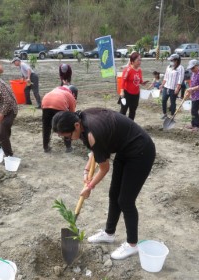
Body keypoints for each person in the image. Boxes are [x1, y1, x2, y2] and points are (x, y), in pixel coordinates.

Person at [52, 108, 155, 260]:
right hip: (124, 150)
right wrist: (87, 170)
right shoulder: (82, 120)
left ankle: (132, 244)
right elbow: (95, 151)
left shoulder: (93, 132)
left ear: (76, 126)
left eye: (68, 137)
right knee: (114, 194)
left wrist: (89, 187)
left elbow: (104, 168)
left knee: (125, 201)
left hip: (141, 152)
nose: (69, 140)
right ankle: (109, 233)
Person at [41, 86, 77, 153]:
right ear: (73, 93)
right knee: (66, 125)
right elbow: (72, 114)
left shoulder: (55, 90)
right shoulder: (70, 95)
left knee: (46, 127)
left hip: (45, 102)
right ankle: (68, 147)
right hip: (59, 104)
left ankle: (46, 147)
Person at [119, 52, 147, 120]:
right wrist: (122, 91)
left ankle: (130, 125)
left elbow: (139, 80)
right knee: (123, 111)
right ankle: (120, 125)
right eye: (138, 60)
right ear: (132, 61)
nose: (140, 62)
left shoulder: (139, 70)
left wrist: (143, 83)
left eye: (140, 60)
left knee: (133, 111)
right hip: (127, 93)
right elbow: (123, 80)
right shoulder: (128, 70)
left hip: (136, 94)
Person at [159, 54, 184, 119]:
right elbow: (166, 77)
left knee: (172, 102)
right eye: (170, 60)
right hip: (166, 87)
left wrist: (177, 88)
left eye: (172, 60)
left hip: (173, 88)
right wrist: (162, 85)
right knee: (163, 100)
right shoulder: (168, 67)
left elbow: (180, 79)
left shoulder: (180, 68)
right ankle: (164, 113)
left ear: (176, 61)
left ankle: (172, 115)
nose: (171, 61)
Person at [185, 59, 199, 132]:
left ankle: (197, 126)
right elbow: (193, 82)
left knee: (194, 110)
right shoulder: (194, 72)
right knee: (193, 110)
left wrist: (192, 89)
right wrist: (190, 91)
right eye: (191, 68)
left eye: (193, 68)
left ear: (197, 66)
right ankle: (193, 124)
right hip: (194, 94)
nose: (192, 69)